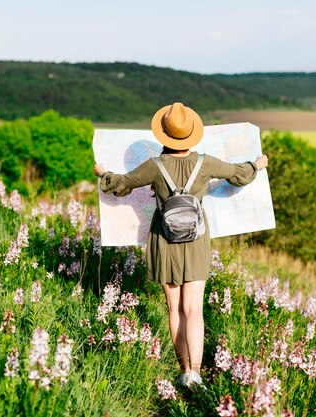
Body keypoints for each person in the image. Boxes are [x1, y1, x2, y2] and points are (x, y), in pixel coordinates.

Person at [93, 102, 268, 388]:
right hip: (196, 241)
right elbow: (239, 175)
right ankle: (196, 373)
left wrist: (102, 173)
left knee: (174, 309)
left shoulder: (154, 166)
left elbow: (121, 184)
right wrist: (257, 165)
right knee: (194, 309)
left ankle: (183, 369)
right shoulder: (206, 163)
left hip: (164, 241)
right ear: (191, 135)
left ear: (164, 135)